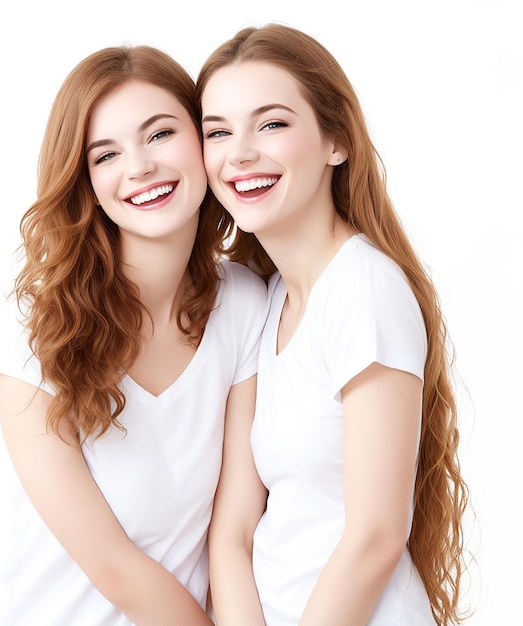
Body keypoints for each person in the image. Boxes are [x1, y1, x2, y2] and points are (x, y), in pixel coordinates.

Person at [0, 43, 268, 626]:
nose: (139, 167)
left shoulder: (244, 303)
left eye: (160, 135)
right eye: (105, 155)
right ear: (85, 181)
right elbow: (112, 567)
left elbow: (234, 529)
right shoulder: (37, 335)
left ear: (205, 140)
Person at [196, 23, 472, 626]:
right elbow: (234, 530)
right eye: (218, 132)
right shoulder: (267, 301)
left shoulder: (364, 293)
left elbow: (375, 539)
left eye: (271, 123)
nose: (240, 152)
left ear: (336, 142)